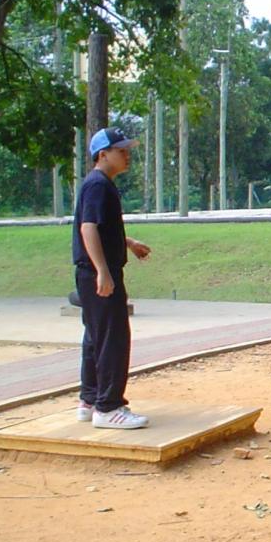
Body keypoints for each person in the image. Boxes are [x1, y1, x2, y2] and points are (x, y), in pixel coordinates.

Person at [73, 127, 151, 429]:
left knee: (96, 337)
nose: (127, 154)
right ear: (102, 155)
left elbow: (100, 227)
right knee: (113, 339)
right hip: (98, 273)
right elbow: (88, 228)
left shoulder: (99, 184)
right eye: (121, 150)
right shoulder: (98, 185)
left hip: (90, 272)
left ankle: (89, 399)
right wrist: (103, 271)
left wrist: (128, 243)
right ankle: (108, 407)